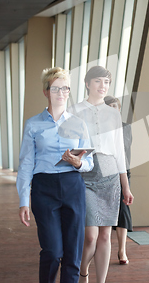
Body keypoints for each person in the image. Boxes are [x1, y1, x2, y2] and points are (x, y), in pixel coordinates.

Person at [17, 67, 94, 283]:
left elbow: (89, 161)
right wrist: (23, 200)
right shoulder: (33, 124)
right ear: (46, 91)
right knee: (52, 251)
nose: (61, 93)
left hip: (73, 187)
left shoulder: (79, 124)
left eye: (65, 88)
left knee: (73, 253)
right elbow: (25, 164)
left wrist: (78, 162)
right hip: (44, 188)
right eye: (55, 88)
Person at [68, 66, 133, 283]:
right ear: (87, 84)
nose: (103, 86)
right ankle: (83, 270)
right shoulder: (75, 111)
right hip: (85, 172)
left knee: (106, 235)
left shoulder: (113, 114)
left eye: (106, 82)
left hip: (111, 174)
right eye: (98, 81)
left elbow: (119, 152)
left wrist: (126, 186)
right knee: (91, 236)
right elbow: (68, 146)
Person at [104, 95, 133, 265]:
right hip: (103, 173)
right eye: (109, 107)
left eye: (115, 106)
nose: (112, 109)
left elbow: (126, 150)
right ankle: (100, 248)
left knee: (123, 209)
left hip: (122, 172)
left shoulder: (126, 127)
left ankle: (122, 250)